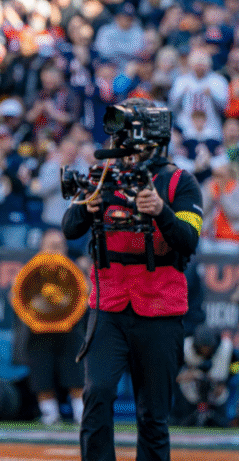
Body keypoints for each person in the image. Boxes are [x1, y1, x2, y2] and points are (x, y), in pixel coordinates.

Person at [62, 98, 202, 461]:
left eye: (129, 137)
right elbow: (69, 228)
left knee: (153, 414)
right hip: (108, 305)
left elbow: (188, 240)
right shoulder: (102, 174)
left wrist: (161, 211)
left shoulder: (179, 182)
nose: (122, 146)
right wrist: (84, 206)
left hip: (160, 308)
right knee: (97, 394)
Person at [17, 229, 86, 426]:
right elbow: (18, 299)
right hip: (39, 331)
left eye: (59, 246)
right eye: (50, 245)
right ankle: (50, 415)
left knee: (76, 374)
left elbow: (85, 298)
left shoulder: (75, 269)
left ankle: (80, 415)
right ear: (41, 247)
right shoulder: (29, 271)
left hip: (69, 330)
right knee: (41, 376)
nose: (55, 250)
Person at [173, 325, 237, 427]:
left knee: (220, 422)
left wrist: (225, 382)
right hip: (191, 390)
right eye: (202, 347)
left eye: (208, 348)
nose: (205, 351)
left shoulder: (226, 347)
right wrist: (182, 375)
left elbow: (236, 365)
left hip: (217, 390)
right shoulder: (186, 347)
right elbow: (174, 369)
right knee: (183, 419)